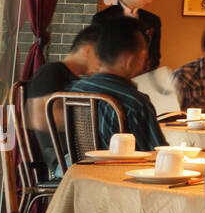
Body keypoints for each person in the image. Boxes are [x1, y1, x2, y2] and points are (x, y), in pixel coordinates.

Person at [68, 16, 166, 154]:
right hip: (120, 174)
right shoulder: (135, 103)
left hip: (77, 172)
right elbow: (157, 153)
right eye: (143, 57)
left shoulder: (75, 89)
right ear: (130, 60)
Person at [26, 25, 100, 176]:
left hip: (80, 156)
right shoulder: (51, 71)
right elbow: (40, 119)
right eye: (102, 56)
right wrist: (95, 121)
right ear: (88, 50)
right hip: (64, 159)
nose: (104, 63)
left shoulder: (77, 81)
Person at [94, 0, 163, 74]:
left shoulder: (153, 21)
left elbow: (155, 56)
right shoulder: (104, 18)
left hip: (142, 81)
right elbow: (97, 54)